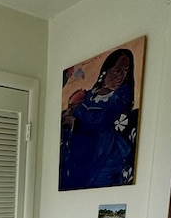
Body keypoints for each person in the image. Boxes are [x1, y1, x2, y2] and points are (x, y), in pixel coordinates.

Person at [59, 47, 137, 190]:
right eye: (117, 70)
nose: (121, 76)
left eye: (126, 71)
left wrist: (75, 118)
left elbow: (102, 121)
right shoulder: (88, 94)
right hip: (80, 152)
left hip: (105, 152)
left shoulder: (121, 95)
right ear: (107, 69)